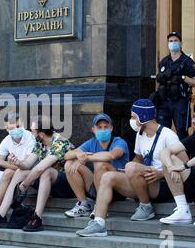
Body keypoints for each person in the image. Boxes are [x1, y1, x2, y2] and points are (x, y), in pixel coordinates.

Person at [76, 99, 178, 237]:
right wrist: (129, 170)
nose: (131, 120)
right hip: (141, 182)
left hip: (161, 184)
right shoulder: (140, 135)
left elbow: (184, 164)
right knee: (108, 176)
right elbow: (138, 159)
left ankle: (146, 207)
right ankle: (99, 223)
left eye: (133, 116)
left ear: (143, 116)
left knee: (130, 166)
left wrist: (161, 173)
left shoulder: (168, 135)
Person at [0, 116, 75, 232]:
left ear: (41, 134)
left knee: (46, 171)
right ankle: (0, 215)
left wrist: (25, 184)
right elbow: (27, 164)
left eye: (33, 131)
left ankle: (37, 218)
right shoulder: (40, 142)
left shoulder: (59, 142)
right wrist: (18, 162)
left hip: (68, 186)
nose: (30, 133)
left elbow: (40, 168)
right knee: (21, 171)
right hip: (48, 183)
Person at [64, 113, 130, 218]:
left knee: (101, 164)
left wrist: (86, 158)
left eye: (106, 127)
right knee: (69, 164)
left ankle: (100, 206)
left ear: (111, 128)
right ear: (93, 129)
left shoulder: (119, 142)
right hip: (98, 185)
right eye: (99, 127)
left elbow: (112, 155)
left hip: (118, 189)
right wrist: (78, 154)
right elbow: (67, 155)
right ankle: (83, 204)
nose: (103, 130)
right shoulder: (92, 142)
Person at [155, 32, 195, 139]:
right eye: (171, 41)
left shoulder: (187, 62)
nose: (173, 43)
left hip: (180, 101)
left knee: (181, 132)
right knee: (162, 132)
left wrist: (183, 78)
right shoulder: (164, 61)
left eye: (176, 41)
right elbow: (159, 78)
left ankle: (184, 155)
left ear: (181, 43)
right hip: (164, 101)